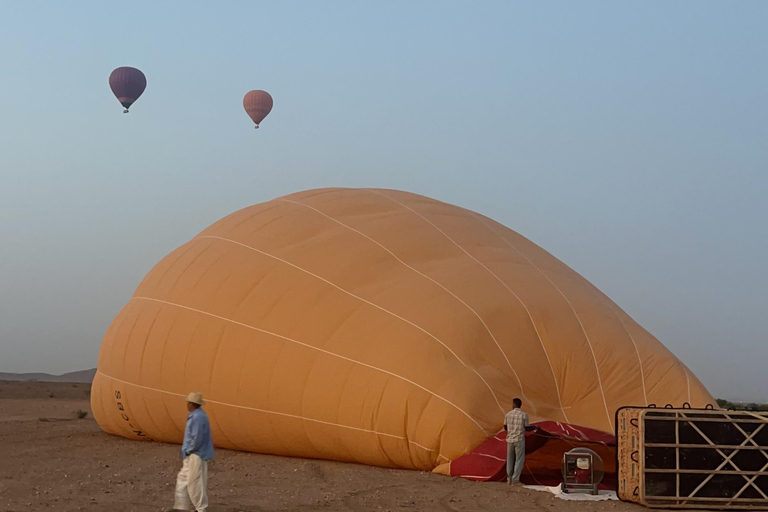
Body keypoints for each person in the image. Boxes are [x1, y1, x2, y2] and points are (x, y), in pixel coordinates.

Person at [173, 392, 215, 512]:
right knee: (183, 479)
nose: (187, 405)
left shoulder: (197, 417)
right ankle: (181, 507)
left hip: (195, 454)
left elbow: (196, 438)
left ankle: (200, 509)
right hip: (192, 454)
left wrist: (189, 450)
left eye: (188, 402)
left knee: (195, 483)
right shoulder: (199, 415)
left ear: (192, 404)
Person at [504, 398, 538, 485]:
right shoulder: (524, 415)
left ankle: (509, 479)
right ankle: (515, 479)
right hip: (519, 439)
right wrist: (536, 427)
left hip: (510, 439)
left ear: (513, 405)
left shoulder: (508, 415)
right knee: (519, 459)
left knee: (510, 459)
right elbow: (527, 428)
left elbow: (505, 428)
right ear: (520, 405)